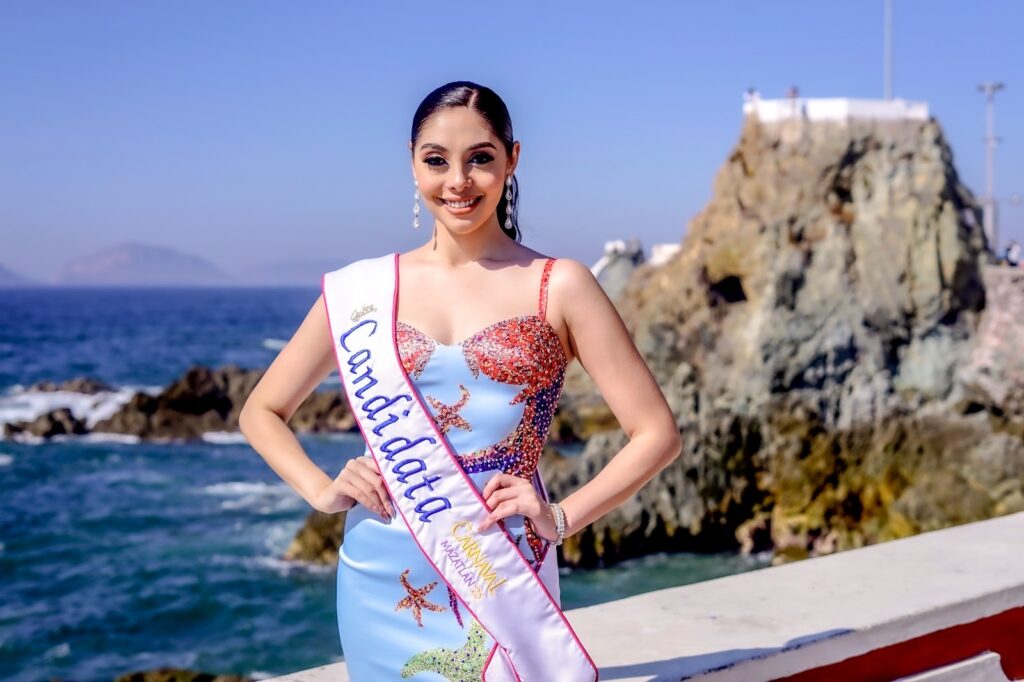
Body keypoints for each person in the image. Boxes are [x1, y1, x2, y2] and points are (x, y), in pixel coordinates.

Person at [239, 80, 682, 680]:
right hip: (381, 573)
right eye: (436, 160)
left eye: (480, 158)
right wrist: (321, 490)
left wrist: (560, 518)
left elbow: (656, 433)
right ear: (412, 163)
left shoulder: (560, 285)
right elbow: (260, 412)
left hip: (500, 571)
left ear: (512, 160)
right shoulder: (362, 291)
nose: (458, 181)